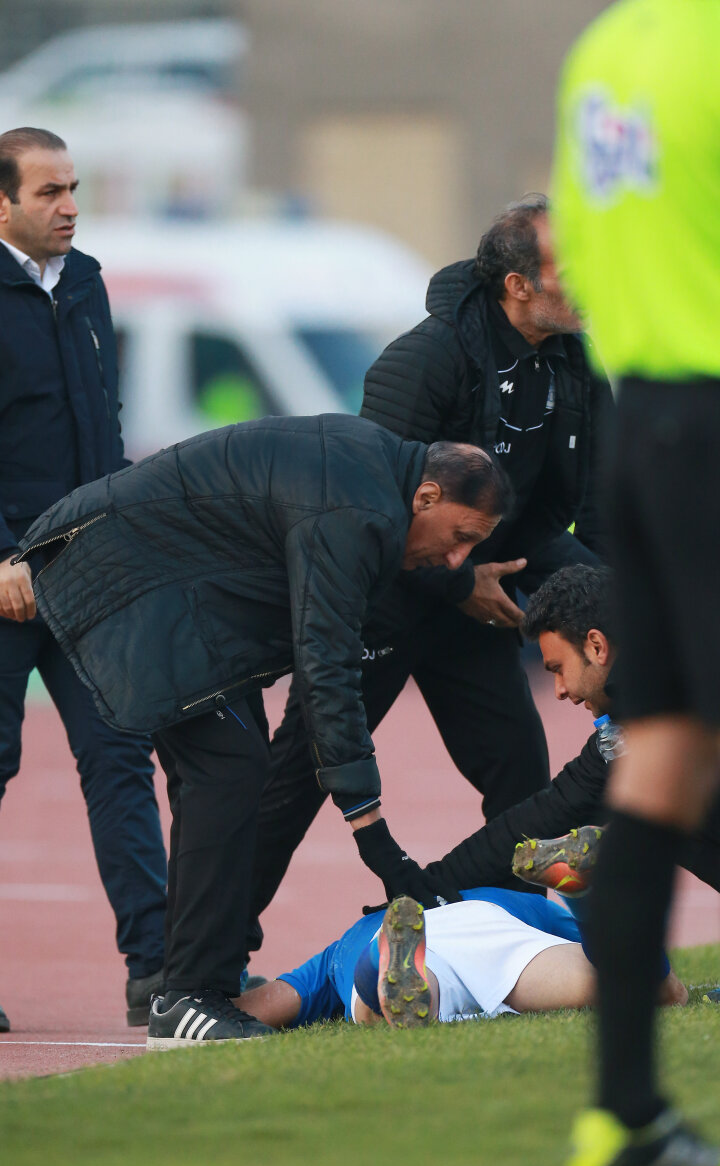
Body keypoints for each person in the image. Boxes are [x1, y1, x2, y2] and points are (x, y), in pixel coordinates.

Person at [16, 417, 511, 1046]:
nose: (458, 559)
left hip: (172, 584)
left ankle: (202, 980)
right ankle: (185, 996)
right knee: (224, 769)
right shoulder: (359, 511)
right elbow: (326, 664)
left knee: (234, 768)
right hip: (125, 575)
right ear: (428, 497)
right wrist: (371, 829)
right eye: (462, 537)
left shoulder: (376, 479)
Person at [249, 195, 614, 949]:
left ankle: (516, 947)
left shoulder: (575, 362)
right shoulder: (424, 359)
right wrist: (458, 582)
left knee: (520, 774)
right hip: (384, 602)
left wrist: (613, 599)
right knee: (296, 783)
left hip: (473, 605)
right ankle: (197, 964)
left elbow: (570, 513)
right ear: (518, 285)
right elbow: (367, 509)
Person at [0, 128, 168, 1034]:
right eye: (51, 192)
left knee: (120, 761)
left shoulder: (87, 282)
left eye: (74, 189)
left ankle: (156, 969)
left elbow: (103, 429)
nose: (70, 207)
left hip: (86, 579)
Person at [551, 0, 720, 1166]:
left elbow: (578, 241)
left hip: (638, 426)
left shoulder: (605, 50)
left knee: (655, 763)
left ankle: (621, 1112)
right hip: (711, 418)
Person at [354, 564, 720, 905]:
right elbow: (535, 819)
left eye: (558, 669)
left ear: (596, 646)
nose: (559, 690)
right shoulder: (625, 731)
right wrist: (427, 887)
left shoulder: (687, 681)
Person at [230, 891, 686, 1035]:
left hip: (375, 940)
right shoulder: (511, 899)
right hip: (492, 922)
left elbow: (250, 1010)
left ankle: (379, 970)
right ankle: (590, 892)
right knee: (657, 991)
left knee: (380, 1010)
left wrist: (231, 992)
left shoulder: (339, 947)